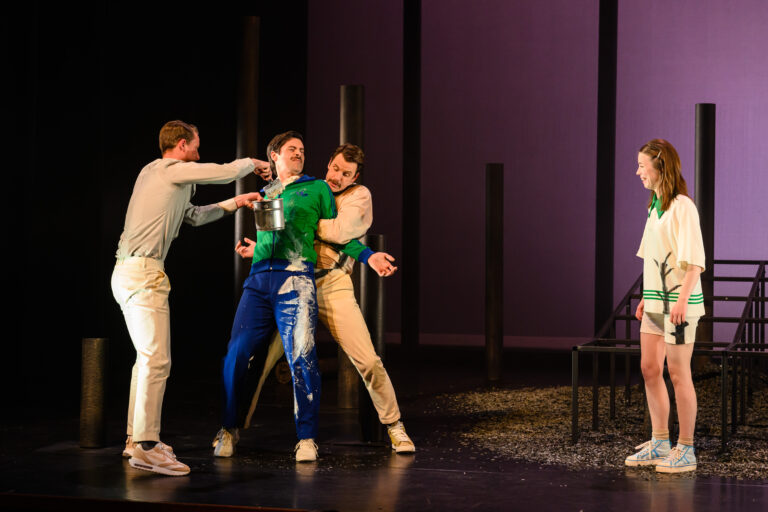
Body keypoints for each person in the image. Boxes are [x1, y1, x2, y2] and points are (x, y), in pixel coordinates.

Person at [225, 143, 415, 458]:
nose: (338, 177)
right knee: (257, 362)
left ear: (356, 177)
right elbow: (277, 229)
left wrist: (308, 221)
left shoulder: (358, 196)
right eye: (335, 168)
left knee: (367, 360)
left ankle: (395, 426)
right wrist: (260, 248)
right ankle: (232, 429)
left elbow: (341, 231)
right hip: (290, 281)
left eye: (346, 173)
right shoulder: (306, 187)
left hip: (331, 284)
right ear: (328, 163)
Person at [112, 120, 271, 476]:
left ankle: (134, 439)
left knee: (145, 360)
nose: (199, 154)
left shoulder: (158, 177)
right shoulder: (170, 168)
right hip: (142, 273)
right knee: (157, 360)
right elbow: (222, 171)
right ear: (181, 145)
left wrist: (236, 202)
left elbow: (195, 217)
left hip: (127, 272)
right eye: (196, 147)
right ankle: (147, 447)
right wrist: (253, 163)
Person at [214, 131, 336, 463]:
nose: (298, 153)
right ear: (274, 156)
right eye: (291, 149)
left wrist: (360, 255)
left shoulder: (318, 188)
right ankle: (228, 427)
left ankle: (307, 437)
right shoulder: (267, 191)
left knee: (301, 356)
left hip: (296, 278)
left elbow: (333, 232)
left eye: (302, 149)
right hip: (258, 281)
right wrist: (255, 251)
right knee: (236, 355)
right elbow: (271, 238)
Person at [625, 139, 705, 473]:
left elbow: (694, 261)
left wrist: (682, 301)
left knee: (678, 372)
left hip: (678, 304)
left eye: (643, 165)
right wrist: (647, 295)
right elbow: (654, 257)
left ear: (661, 168)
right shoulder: (653, 208)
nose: (638, 171)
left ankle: (685, 447)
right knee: (649, 368)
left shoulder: (682, 206)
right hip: (657, 302)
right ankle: (660, 440)